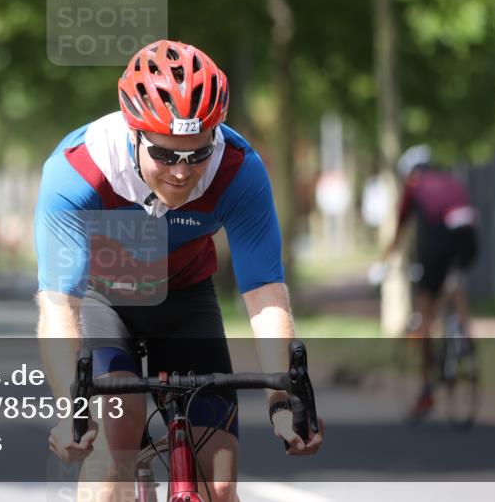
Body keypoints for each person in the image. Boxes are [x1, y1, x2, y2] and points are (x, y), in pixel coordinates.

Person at [36, 40, 323, 502]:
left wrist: (281, 401)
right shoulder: (78, 171)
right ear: (134, 133)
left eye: (196, 153)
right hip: (104, 300)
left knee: (221, 482)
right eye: (165, 154)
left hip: (187, 298)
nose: (181, 172)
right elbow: (58, 305)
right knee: (114, 448)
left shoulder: (237, 170)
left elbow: (265, 294)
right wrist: (71, 409)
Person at [384, 144, 479, 420]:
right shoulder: (450, 180)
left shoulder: (414, 186)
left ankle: (426, 390)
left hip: (438, 240)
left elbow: (401, 225)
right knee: (455, 283)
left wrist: (387, 257)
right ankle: (465, 337)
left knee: (425, 308)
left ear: (410, 172)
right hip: (469, 237)